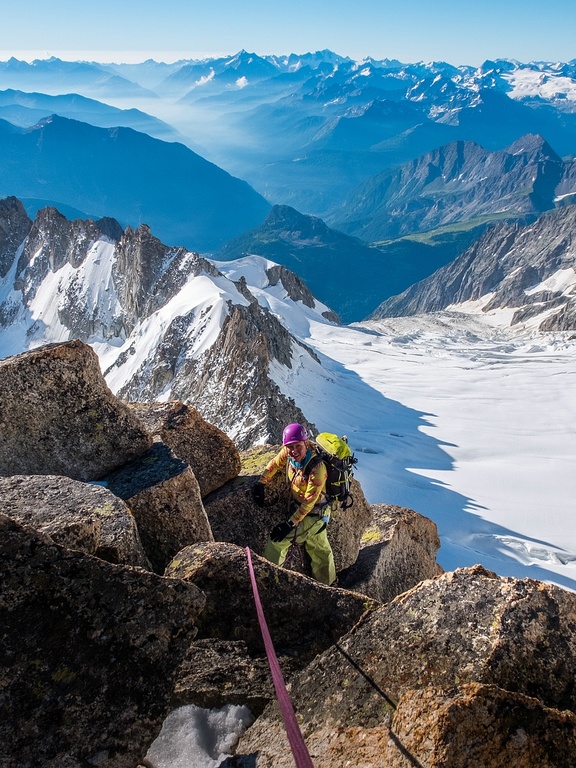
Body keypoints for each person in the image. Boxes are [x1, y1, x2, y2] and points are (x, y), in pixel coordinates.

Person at [252, 423, 337, 586]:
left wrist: (288, 525)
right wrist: (261, 483)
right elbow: (275, 464)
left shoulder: (317, 469)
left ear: (306, 444)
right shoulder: (288, 452)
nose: (293, 451)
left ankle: (270, 582)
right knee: (318, 546)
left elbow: (308, 503)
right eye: (290, 447)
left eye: (298, 446)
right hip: (316, 514)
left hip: (314, 514)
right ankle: (329, 583)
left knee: (276, 543)